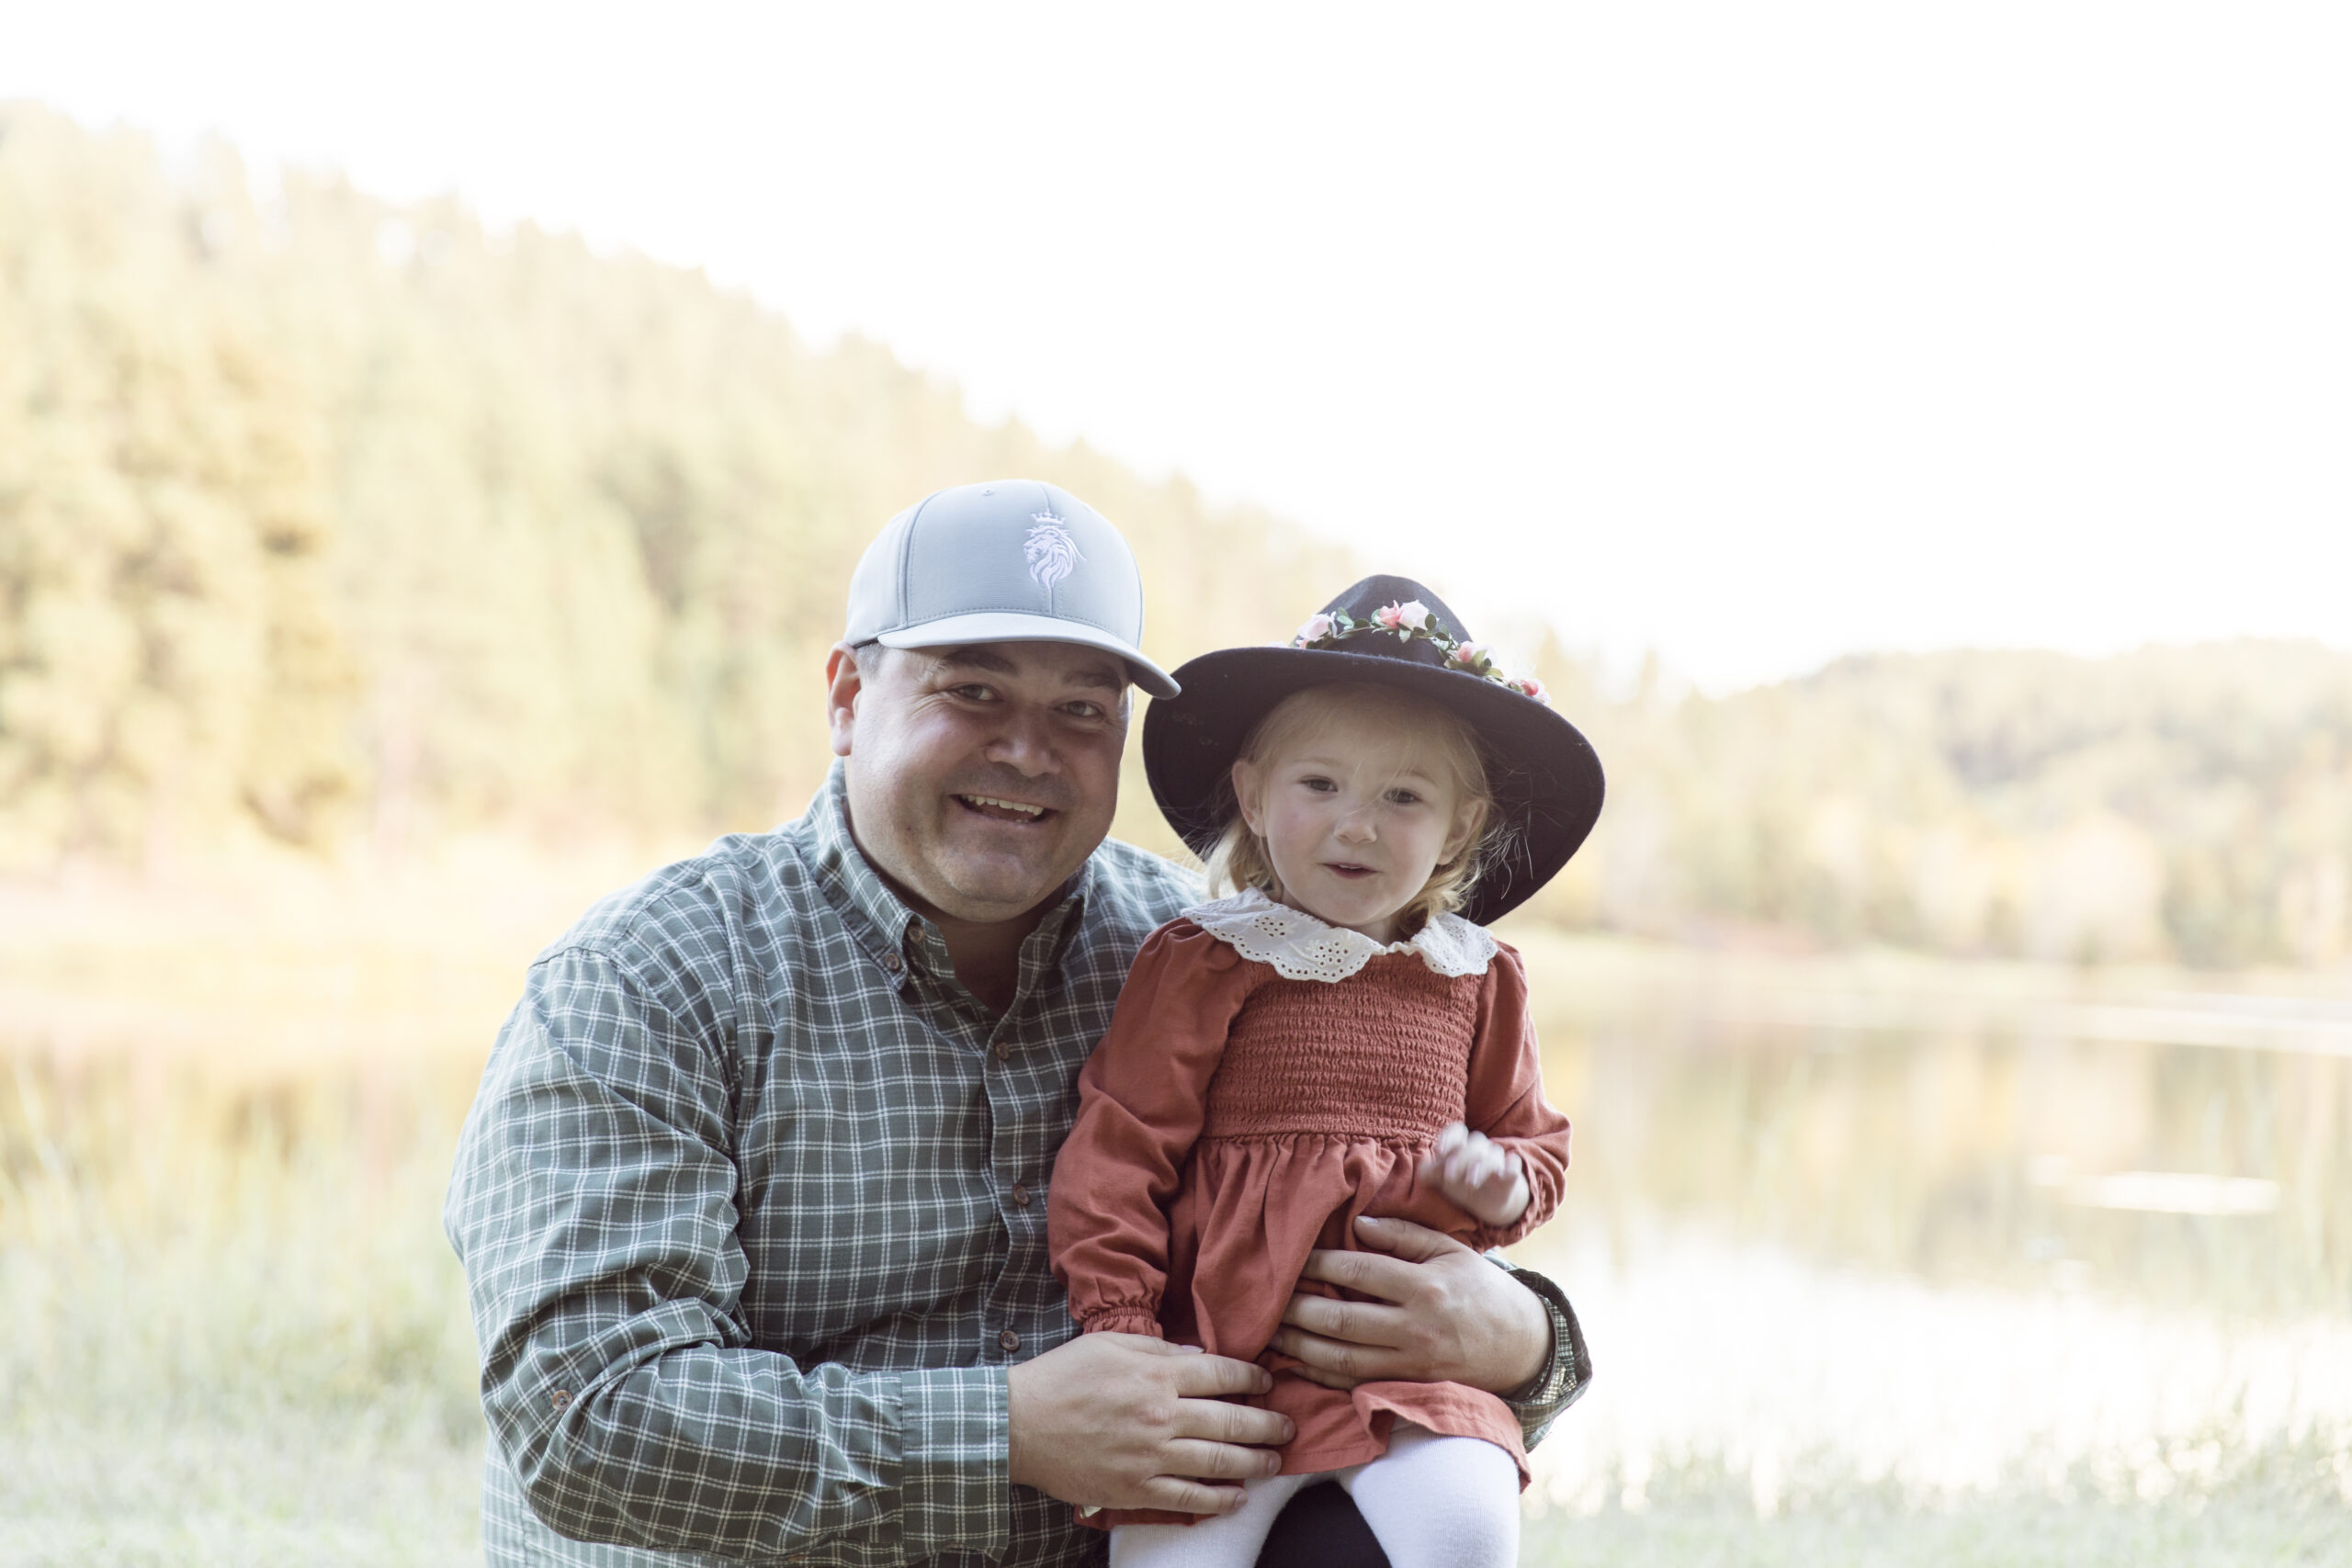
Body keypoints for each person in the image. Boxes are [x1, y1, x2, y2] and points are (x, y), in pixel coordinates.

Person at [444, 482, 1593, 1567]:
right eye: (973, 692)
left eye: (1081, 710)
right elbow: (582, 1414)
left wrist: (1525, 1345)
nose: (1029, 751)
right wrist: (1005, 1433)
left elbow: (1365, 1209)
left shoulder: (1209, 951)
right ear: (848, 698)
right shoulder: (648, 981)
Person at [1049, 577, 1604, 1567]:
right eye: (1320, 786)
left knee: (1469, 1532)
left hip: (1417, 1366)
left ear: (1460, 828)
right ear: (1255, 796)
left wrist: (1499, 1182)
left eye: (1403, 797)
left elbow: (1533, 1143)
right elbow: (1120, 1151)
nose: (1358, 824)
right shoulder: (1207, 957)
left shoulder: (1476, 976)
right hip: (1218, 1365)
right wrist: (1124, 1327)